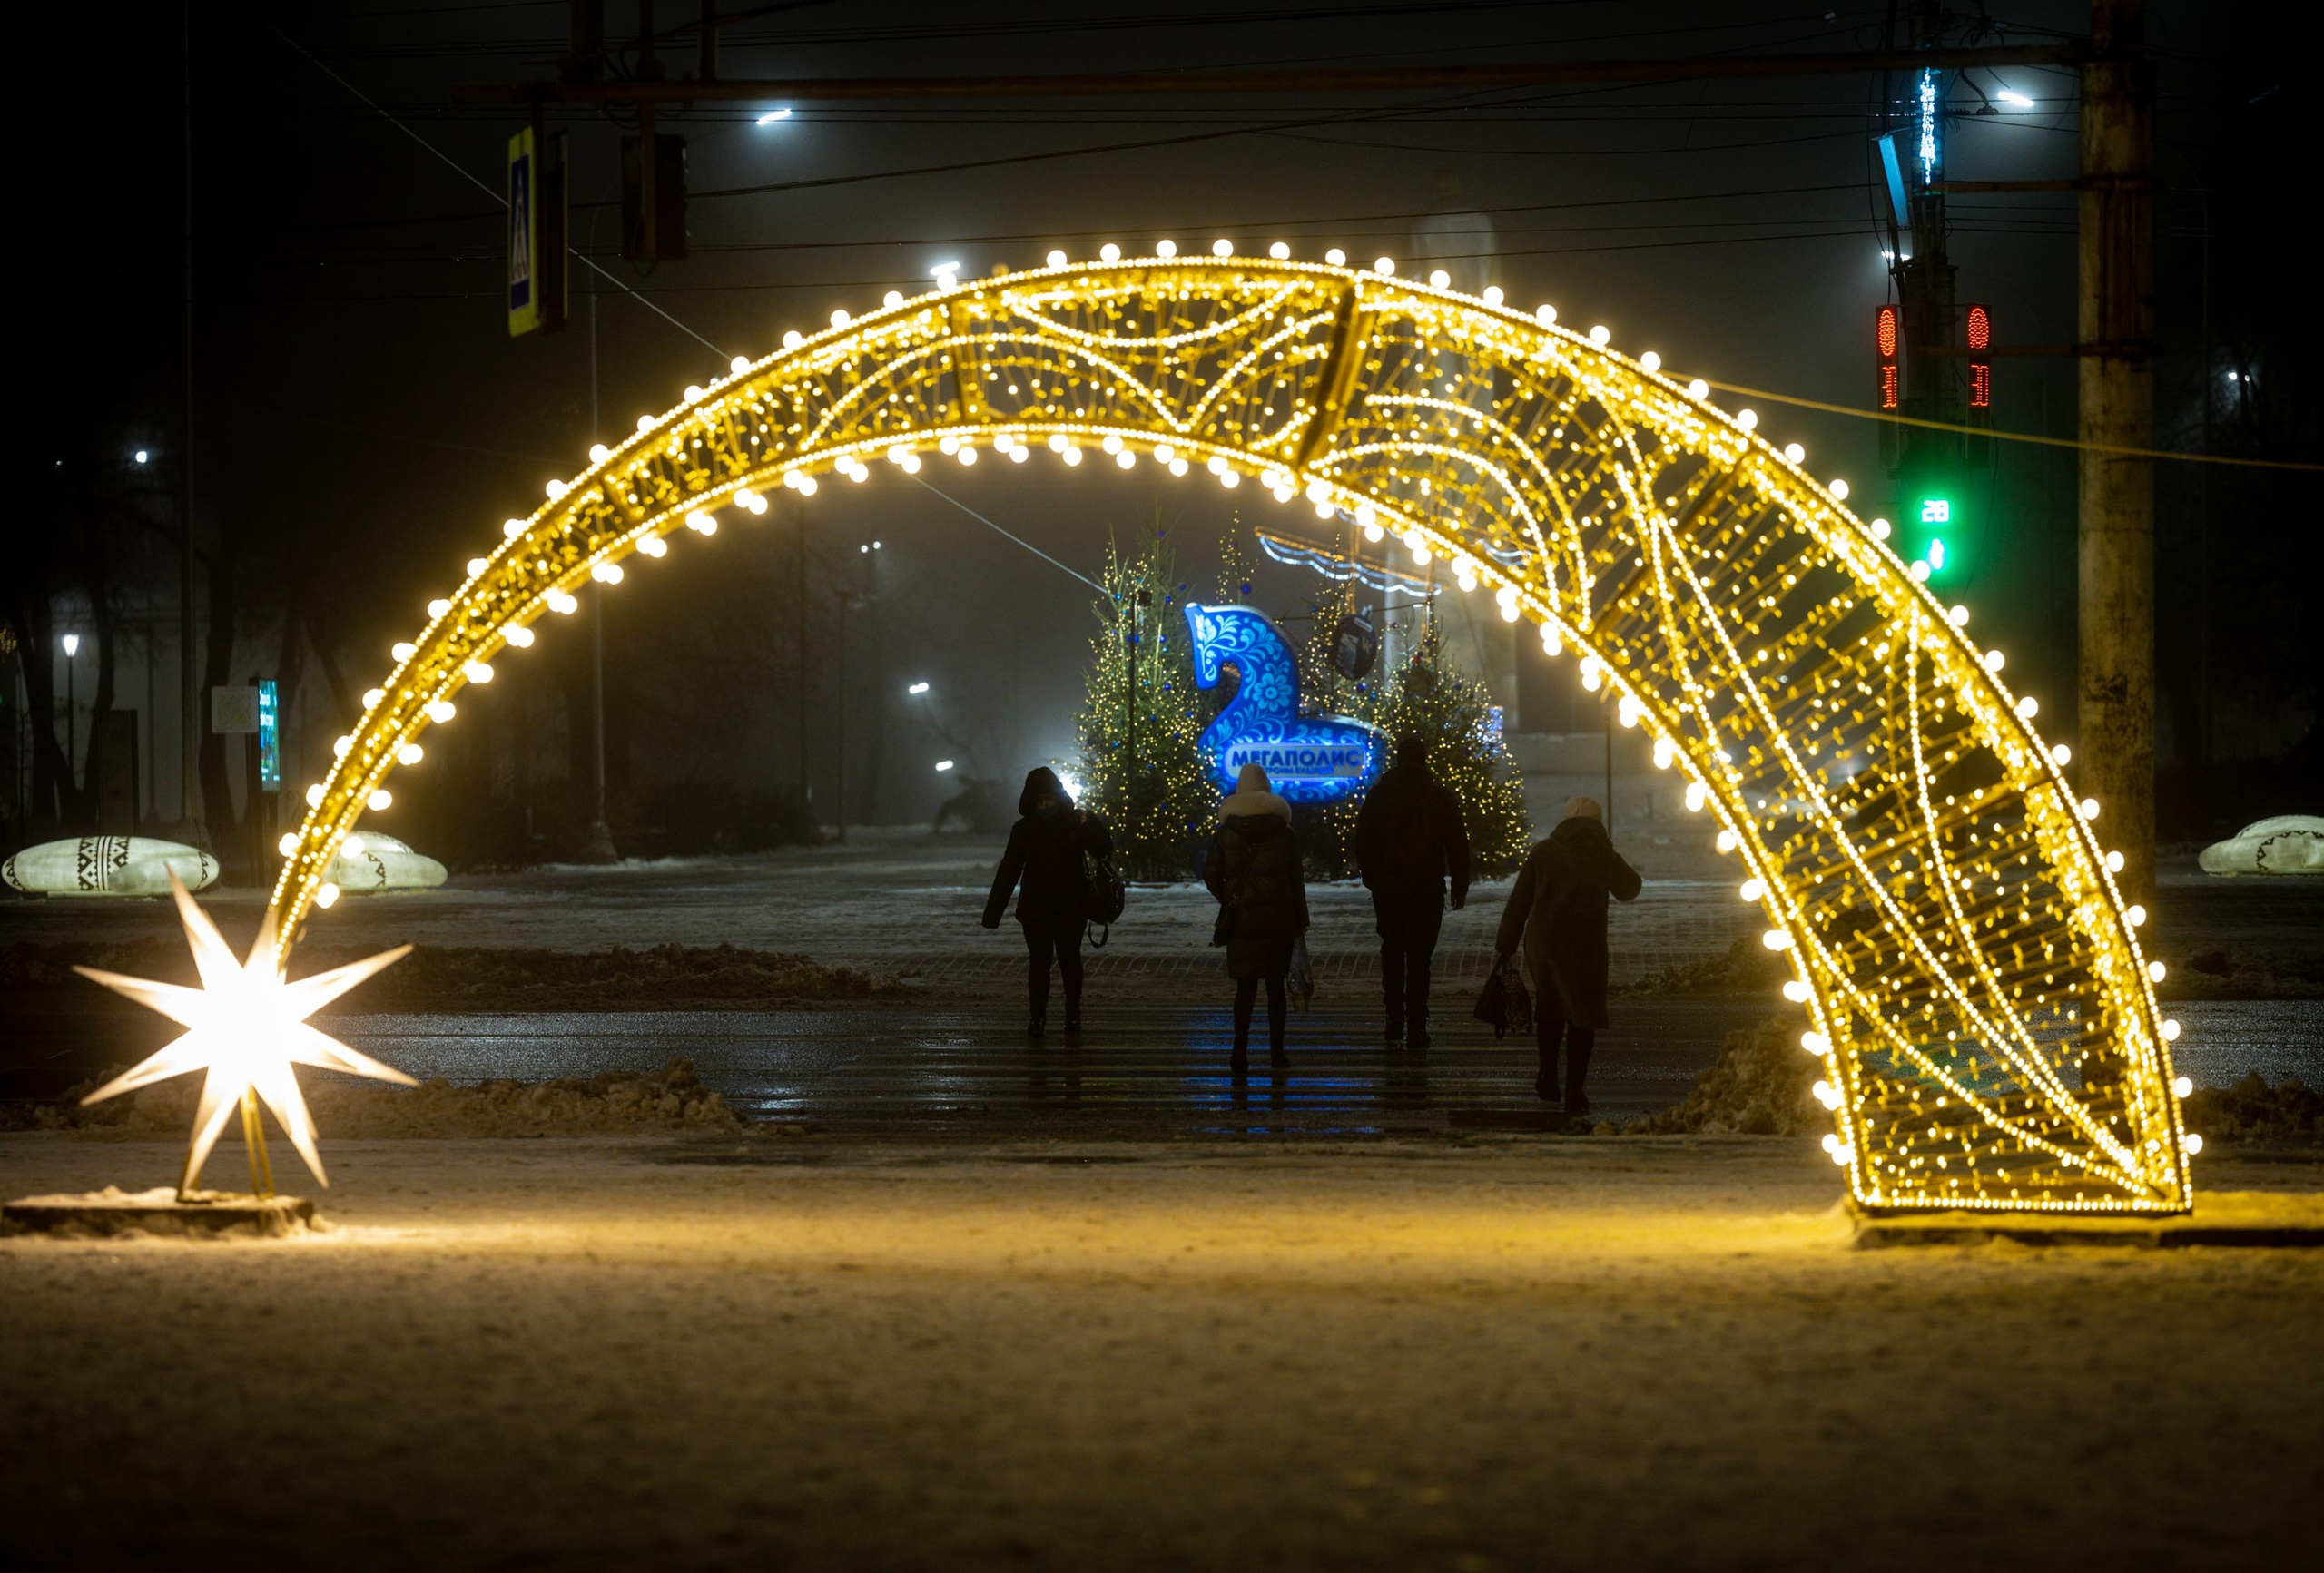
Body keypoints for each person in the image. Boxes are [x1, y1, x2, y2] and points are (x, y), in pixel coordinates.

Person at [1492, 796, 1641, 1116]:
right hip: (1585, 945)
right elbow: (1630, 888)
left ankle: (1547, 1076)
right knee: (1582, 1015)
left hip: (1543, 944)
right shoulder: (1601, 853)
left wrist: (1506, 945)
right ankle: (1576, 1090)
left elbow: (1519, 902)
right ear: (1597, 824)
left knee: (1550, 1007)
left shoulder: (1544, 851)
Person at [1354, 732, 1472, 1047]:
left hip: (1389, 887)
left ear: (1397, 760)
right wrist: (1460, 885)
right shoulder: (1438, 796)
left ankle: (1393, 1015)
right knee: (1420, 958)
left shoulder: (1379, 796)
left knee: (1392, 948)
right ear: (1424, 760)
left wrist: (1371, 876)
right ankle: (1417, 1025)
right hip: (1426, 888)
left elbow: (1363, 840)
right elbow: (1458, 845)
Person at [982, 766, 1113, 1036]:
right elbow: (1009, 870)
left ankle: (1072, 1015)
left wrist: (1090, 824)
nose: (1044, 805)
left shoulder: (1076, 822)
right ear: (1031, 801)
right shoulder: (1024, 829)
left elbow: (1102, 849)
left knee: (1069, 962)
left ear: (1057, 797)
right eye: (1039, 801)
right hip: (1037, 910)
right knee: (1040, 964)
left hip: (1070, 908)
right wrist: (992, 913)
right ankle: (1038, 1016)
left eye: (1048, 799)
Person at [1203, 762, 1310, 1074]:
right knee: (1276, 989)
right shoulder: (1285, 833)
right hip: (1279, 920)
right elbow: (1295, 879)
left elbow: (1211, 875)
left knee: (1245, 991)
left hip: (1242, 921)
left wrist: (1231, 898)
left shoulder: (1226, 833)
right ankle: (1278, 1053)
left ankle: (1239, 1052)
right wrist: (1301, 918)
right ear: (1266, 790)